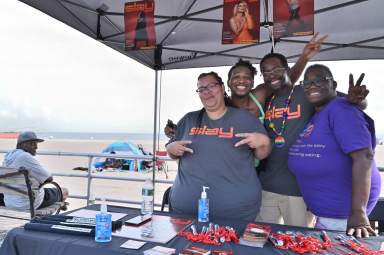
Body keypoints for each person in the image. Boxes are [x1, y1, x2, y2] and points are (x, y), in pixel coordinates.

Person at [256, 53, 368, 227]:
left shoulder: (307, 90)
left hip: (300, 192)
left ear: (287, 70)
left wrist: (360, 100)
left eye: (276, 69)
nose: (271, 75)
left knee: (300, 244)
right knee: (262, 242)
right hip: (267, 187)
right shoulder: (266, 99)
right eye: (265, 72)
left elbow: (351, 101)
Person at [288, 64, 380, 237]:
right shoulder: (320, 113)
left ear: (334, 85)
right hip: (327, 216)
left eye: (319, 80)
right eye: (306, 83)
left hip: (344, 218)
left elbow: (364, 157)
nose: (312, 85)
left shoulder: (342, 110)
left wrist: (358, 214)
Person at [166, 72, 271, 221]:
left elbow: (261, 154)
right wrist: (170, 149)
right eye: (201, 89)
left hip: (235, 213)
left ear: (222, 88)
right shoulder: (188, 119)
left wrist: (264, 142)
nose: (207, 92)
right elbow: (173, 151)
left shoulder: (245, 119)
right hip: (185, 211)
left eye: (211, 86)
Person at [2, 131, 69, 210]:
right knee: (64, 191)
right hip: (28, 203)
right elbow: (49, 179)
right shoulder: (25, 157)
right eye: (33, 143)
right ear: (24, 144)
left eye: (36, 144)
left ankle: (60, 204)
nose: (36, 147)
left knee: (44, 191)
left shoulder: (7, 157)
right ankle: (60, 205)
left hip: (9, 202)